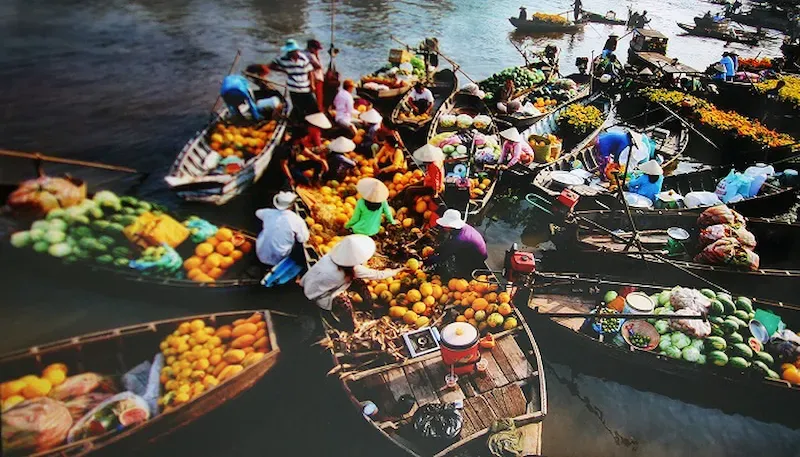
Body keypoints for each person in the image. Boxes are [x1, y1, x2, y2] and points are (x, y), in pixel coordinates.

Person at [301, 234, 403, 314]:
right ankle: (349, 325)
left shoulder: (331, 256)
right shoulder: (355, 269)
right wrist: (397, 271)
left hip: (309, 282)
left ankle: (369, 304)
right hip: (318, 296)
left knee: (358, 282)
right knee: (344, 304)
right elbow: (378, 275)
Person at [425, 209, 488, 279]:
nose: (443, 227)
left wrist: (427, 261)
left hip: (476, 258)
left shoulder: (460, 239)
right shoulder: (461, 228)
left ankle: (465, 274)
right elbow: (448, 243)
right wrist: (436, 250)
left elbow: (443, 256)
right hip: (473, 250)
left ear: (450, 226)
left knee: (459, 272)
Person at [255, 191, 309, 266]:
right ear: (291, 206)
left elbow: (257, 213)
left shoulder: (267, 213)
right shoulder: (296, 220)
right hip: (280, 258)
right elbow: (303, 239)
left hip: (261, 253)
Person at [269, 39, 318, 121]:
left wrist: (312, 84)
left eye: (293, 51)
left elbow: (310, 71)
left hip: (305, 87)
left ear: (296, 50)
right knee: (298, 107)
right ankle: (299, 122)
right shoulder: (283, 59)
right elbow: (271, 65)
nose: (291, 53)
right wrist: (283, 70)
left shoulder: (303, 58)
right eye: (289, 51)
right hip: (293, 88)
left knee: (313, 107)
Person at [305, 39, 326, 112]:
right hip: (316, 79)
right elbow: (318, 66)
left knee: (319, 97)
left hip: (317, 78)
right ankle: (319, 110)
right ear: (311, 48)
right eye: (316, 49)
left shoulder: (310, 55)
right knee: (318, 97)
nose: (317, 51)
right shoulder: (309, 55)